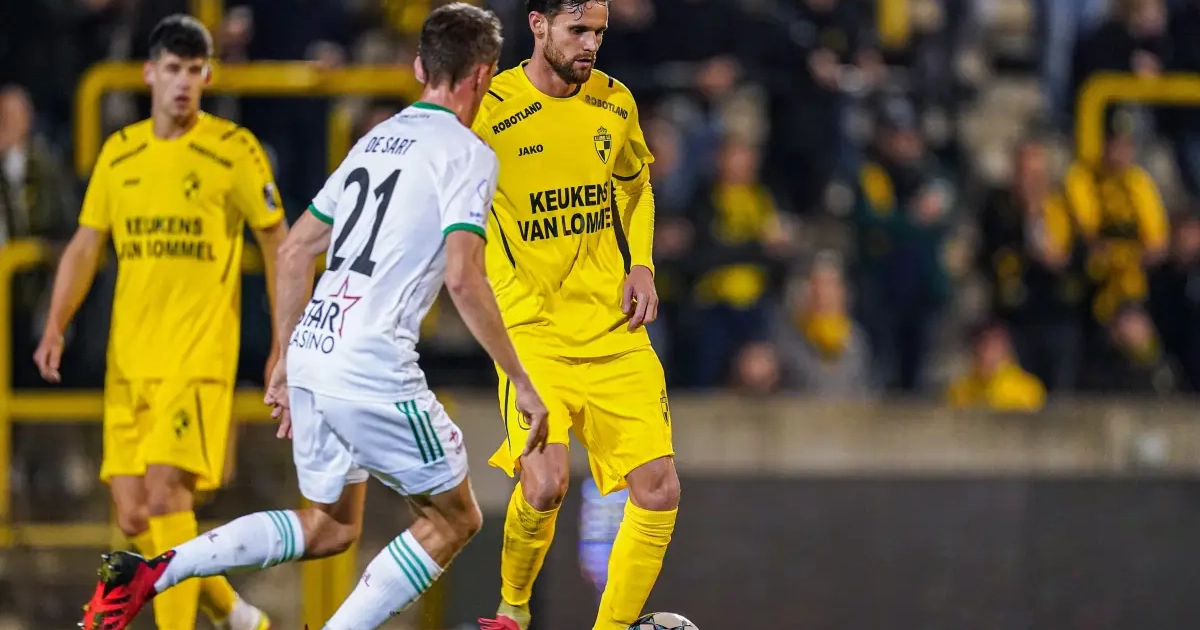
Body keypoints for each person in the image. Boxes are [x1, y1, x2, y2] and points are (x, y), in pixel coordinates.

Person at [76, 6, 551, 630]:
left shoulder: (373, 141)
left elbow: (297, 250)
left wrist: (284, 355)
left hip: (314, 348)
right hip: (373, 363)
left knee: (330, 527)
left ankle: (157, 570)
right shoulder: (467, 154)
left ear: (418, 67)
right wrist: (520, 380)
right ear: (484, 75)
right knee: (455, 518)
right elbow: (464, 276)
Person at [34, 15, 286, 630]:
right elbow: (86, 245)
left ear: (207, 76)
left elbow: (278, 243)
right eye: (173, 69)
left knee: (167, 496)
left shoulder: (233, 150)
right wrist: (55, 323)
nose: (183, 83)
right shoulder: (120, 153)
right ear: (149, 74)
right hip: (129, 360)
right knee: (134, 516)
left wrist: (284, 341)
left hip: (197, 358)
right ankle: (235, 613)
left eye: (195, 70)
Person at [471, 1, 681, 628]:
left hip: (613, 328)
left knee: (659, 489)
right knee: (545, 485)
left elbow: (636, 187)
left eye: (599, 32)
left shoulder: (615, 102)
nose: (591, 44)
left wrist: (641, 263)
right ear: (538, 26)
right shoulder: (490, 109)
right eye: (578, 31)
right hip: (531, 332)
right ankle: (512, 608)